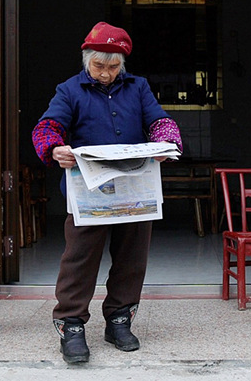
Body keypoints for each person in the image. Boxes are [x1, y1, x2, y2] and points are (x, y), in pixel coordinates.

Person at [32, 21, 183, 364]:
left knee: (132, 256)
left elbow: (160, 120)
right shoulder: (69, 90)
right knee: (80, 257)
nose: (105, 74)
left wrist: (168, 142)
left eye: (113, 67)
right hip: (88, 189)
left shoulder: (138, 87)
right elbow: (47, 126)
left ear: (123, 65)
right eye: (99, 66)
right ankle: (71, 325)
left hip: (134, 187)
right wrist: (54, 148)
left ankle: (119, 320)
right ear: (87, 60)